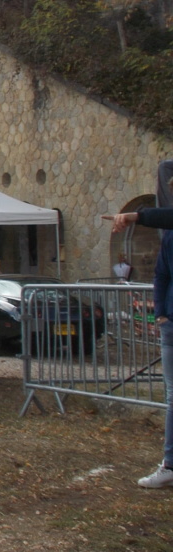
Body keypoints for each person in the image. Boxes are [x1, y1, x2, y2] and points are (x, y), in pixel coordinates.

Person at [104, 160, 173, 488]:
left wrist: (135, 216)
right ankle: (170, 464)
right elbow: (161, 273)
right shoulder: (169, 239)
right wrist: (161, 312)